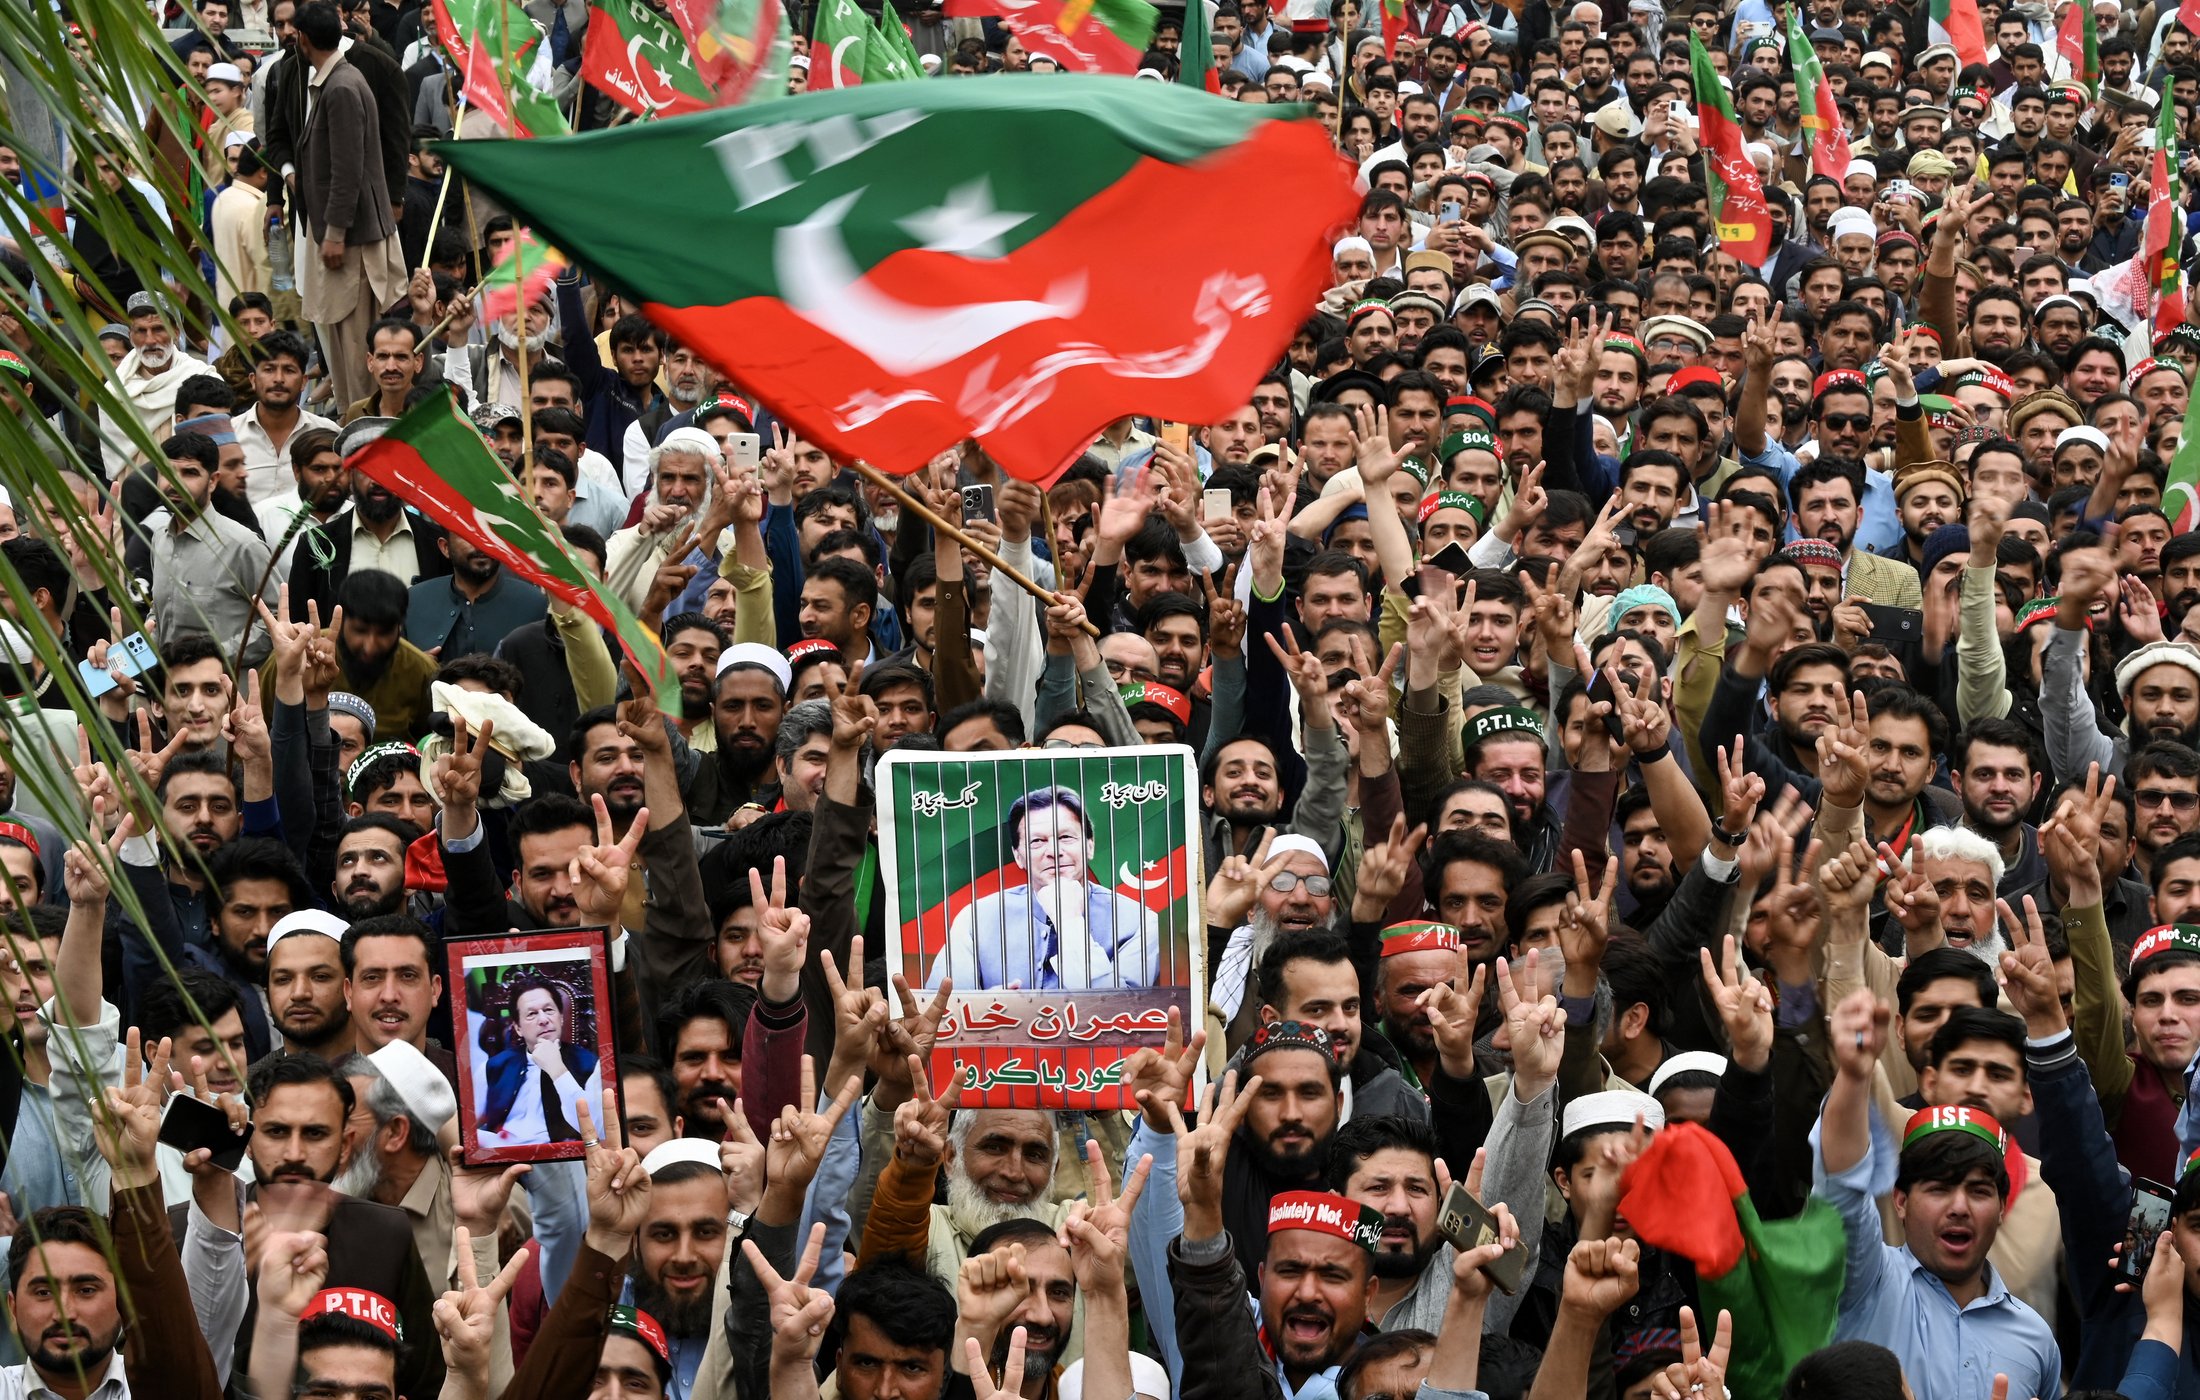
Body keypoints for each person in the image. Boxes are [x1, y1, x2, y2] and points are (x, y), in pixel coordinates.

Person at [932, 785, 1162, 990]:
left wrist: (1070, 922)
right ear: (1018, 856)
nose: (1053, 851)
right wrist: (989, 1007)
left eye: (1065, 837)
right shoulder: (976, 919)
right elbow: (942, 1011)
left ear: (1090, 846)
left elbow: (1123, 1013)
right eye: (1037, 841)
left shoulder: (1139, 922)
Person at [477, 973, 604, 1148]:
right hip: (503, 1154)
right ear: (518, 1028)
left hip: (561, 1158)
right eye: (532, 1014)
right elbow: (466, 1127)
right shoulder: (492, 1067)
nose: (543, 1020)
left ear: (561, 1017)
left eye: (549, 1010)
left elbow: (597, 1129)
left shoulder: (590, 1065)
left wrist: (557, 1070)